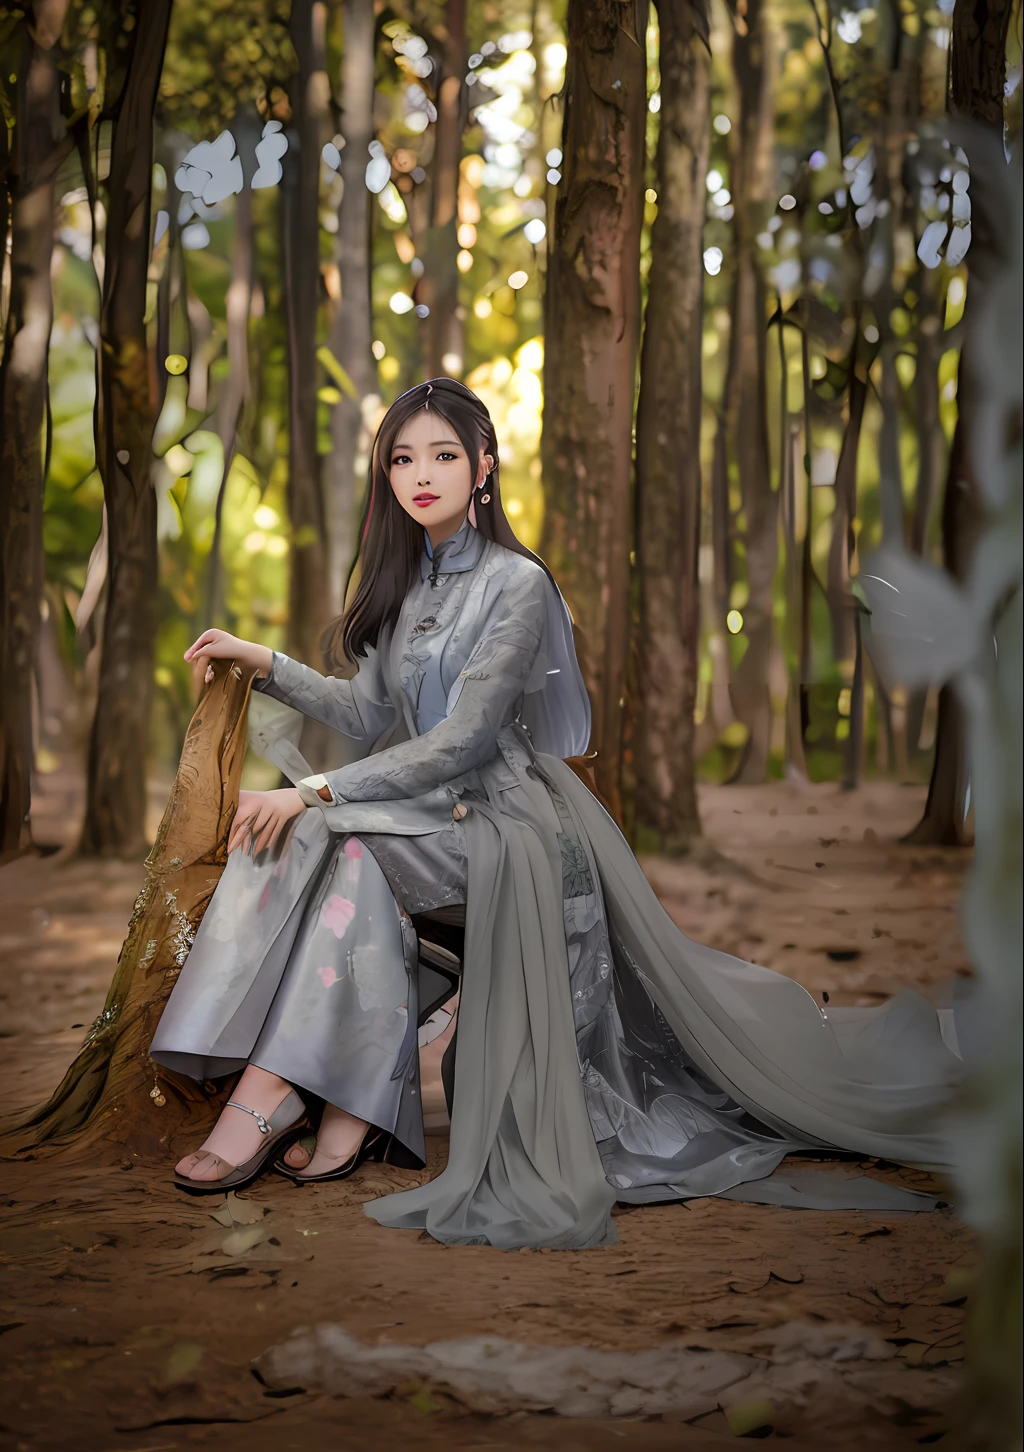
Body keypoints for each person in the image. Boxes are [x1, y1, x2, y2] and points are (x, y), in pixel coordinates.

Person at [151, 378, 963, 1250]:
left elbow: (463, 742)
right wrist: (261, 658)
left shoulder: (517, 584)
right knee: (330, 844)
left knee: (328, 834)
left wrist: (311, 790)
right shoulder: (405, 586)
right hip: (426, 814)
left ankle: (274, 1092)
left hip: (511, 825)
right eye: (402, 458)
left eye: (444, 455)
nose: (421, 473)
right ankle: (340, 1102)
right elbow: (364, 712)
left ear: (484, 468)